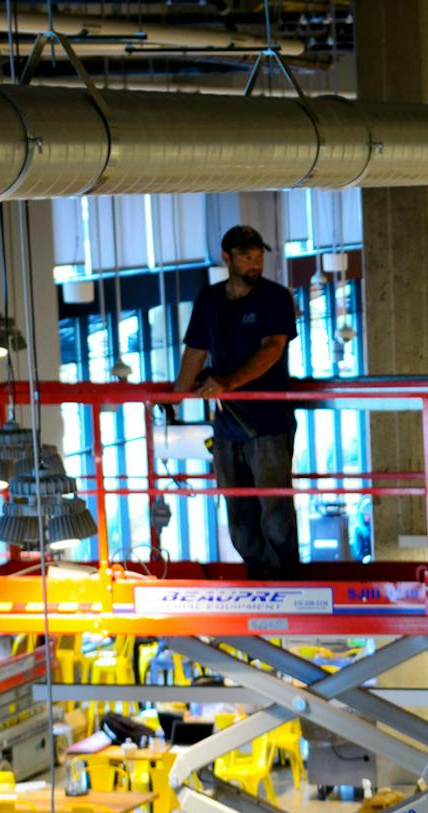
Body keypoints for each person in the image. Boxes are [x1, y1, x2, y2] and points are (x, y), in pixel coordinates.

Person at [177, 224, 303, 580]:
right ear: (227, 258)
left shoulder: (275, 298)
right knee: (237, 508)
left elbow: (273, 348)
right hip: (228, 425)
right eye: (247, 257)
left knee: (274, 507)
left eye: (259, 257)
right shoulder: (210, 300)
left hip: (269, 422)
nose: (254, 264)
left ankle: (284, 577)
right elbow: (195, 352)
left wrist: (227, 383)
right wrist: (172, 399)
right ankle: (257, 569)